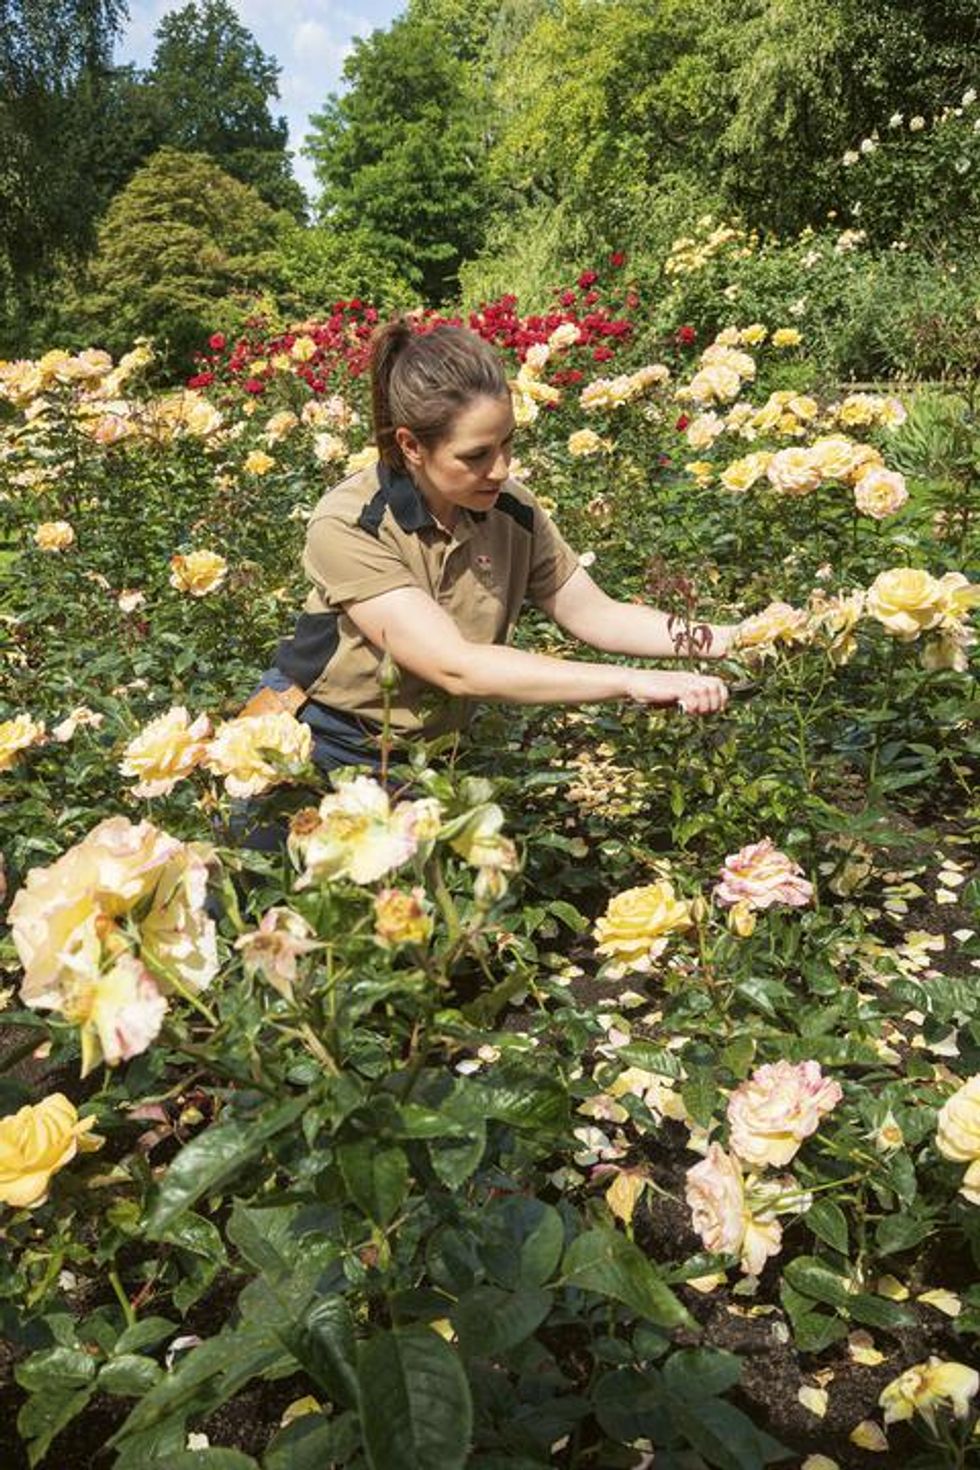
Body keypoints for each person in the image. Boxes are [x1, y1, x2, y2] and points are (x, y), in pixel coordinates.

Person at [245, 320, 735, 775]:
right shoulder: (352, 523)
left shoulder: (511, 509)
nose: (500, 469)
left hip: (429, 758)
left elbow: (596, 614)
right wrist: (632, 681)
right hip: (314, 745)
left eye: (507, 444)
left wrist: (738, 640)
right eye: (476, 455)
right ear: (412, 446)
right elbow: (454, 665)